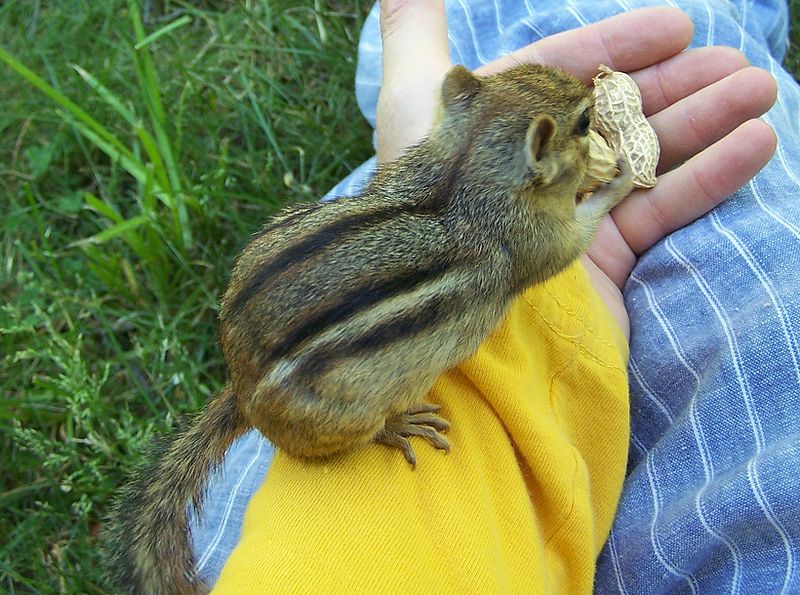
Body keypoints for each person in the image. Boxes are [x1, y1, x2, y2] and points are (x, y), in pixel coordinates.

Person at [190, 0, 800, 592]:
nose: (589, 138)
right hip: (316, 391)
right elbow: (565, 245)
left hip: (301, 325)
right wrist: (609, 193)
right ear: (536, 155)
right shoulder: (514, 240)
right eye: (580, 131)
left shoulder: (432, 159)